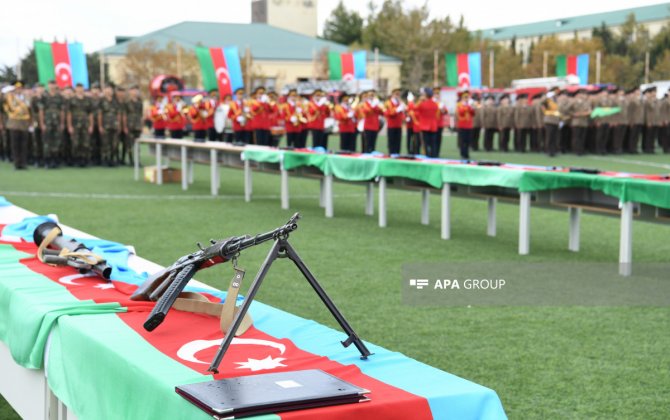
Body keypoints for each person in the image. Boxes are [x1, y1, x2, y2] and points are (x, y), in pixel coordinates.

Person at [3, 81, 32, 169]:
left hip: (24, 123)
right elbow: (4, 106)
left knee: (24, 144)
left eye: (20, 88)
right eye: (17, 88)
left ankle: (23, 163)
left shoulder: (26, 97)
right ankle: (16, 163)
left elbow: (30, 109)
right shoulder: (9, 97)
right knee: (15, 144)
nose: (19, 90)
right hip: (14, 123)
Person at [39, 80, 65, 168]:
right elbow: (41, 111)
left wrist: (62, 123)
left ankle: (55, 161)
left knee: (57, 142)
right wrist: (42, 123)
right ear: (48, 85)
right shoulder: (44, 96)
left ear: (56, 85)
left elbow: (62, 111)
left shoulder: (60, 97)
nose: (52, 86)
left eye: (54, 84)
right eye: (50, 84)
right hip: (47, 122)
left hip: (57, 122)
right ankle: (47, 161)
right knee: (47, 142)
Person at [67, 83, 93, 167]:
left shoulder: (88, 100)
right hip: (75, 124)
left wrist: (91, 125)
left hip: (85, 124)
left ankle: (85, 160)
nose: (79, 90)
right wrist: (69, 126)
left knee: (85, 142)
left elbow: (90, 114)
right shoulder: (71, 100)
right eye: (78, 88)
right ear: (76, 89)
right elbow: (69, 114)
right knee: (75, 143)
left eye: (81, 88)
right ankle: (76, 159)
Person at [98, 84, 121, 166]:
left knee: (114, 144)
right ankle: (105, 160)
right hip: (105, 125)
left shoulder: (115, 101)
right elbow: (100, 114)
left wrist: (119, 125)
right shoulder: (101, 101)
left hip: (114, 125)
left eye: (110, 90)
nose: (109, 91)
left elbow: (118, 114)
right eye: (107, 89)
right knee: (105, 143)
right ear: (104, 91)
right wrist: (100, 126)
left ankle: (112, 159)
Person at [414, 87, 440, 157]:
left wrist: (420, 100)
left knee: (426, 144)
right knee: (433, 144)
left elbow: (414, 108)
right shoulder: (435, 104)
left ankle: (427, 157)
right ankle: (434, 156)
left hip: (425, 127)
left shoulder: (422, 104)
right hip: (433, 126)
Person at [568, 89, 592, 156]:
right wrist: (573, 114)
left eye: (584, 94)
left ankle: (581, 149)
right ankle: (575, 150)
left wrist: (586, 113)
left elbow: (590, 111)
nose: (583, 95)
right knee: (576, 137)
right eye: (582, 94)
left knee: (582, 137)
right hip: (576, 121)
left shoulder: (587, 102)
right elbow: (567, 109)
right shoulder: (573, 101)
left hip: (584, 122)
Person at [124, 85, 144, 164]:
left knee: (137, 145)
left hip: (137, 126)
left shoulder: (140, 103)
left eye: (136, 90)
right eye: (133, 90)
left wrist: (142, 126)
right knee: (129, 144)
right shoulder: (127, 103)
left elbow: (141, 115)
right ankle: (131, 160)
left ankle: (137, 160)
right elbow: (124, 115)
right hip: (130, 125)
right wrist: (125, 126)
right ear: (130, 92)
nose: (135, 92)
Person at [384, 88, 405, 155]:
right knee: (391, 141)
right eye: (396, 94)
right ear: (393, 94)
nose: (398, 96)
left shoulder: (400, 103)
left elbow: (402, 114)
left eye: (399, 94)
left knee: (398, 141)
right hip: (391, 125)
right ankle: (391, 153)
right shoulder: (389, 103)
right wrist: (398, 109)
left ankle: (397, 154)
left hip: (398, 125)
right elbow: (389, 113)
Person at [455, 90, 476, 159]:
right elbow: (460, 112)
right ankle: (462, 153)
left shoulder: (469, 105)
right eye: (465, 97)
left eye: (467, 97)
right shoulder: (459, 105)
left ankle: (467, 153)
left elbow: (473, 114)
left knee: (468, 140)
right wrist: (467, 106)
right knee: (462, 140)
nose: (467, 99)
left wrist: (472, 107)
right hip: (462, 125)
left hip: (469, 125)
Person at [542, 87, 561, 157]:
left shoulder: (557, 100)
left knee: (555, 137)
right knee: (549, 136)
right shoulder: (548, 99)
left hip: (556, 120)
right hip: (549, 120)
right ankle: (548, 150)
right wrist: (547, 96)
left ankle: (554, 150)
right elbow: (542, 103)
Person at [30, 83, 44, 166]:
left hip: (45, 122)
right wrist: (32, 123)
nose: (40, 89)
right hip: (36, 122)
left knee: (45, 141)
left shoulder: (46, 98)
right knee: (36, 141)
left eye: (42, 88)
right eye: (39, 88)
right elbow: (31, 111)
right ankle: (37, 160)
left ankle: (44, 159)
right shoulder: (34, 99)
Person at [611, 87, 628, 154]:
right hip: (617, 120)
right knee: (616, 136)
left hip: (624, 120)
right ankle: (615, 148)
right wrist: (613, 121)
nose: (622, 93)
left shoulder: (625, 100)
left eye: (622, 91)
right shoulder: (614, 100)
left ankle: (620, 148)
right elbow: (612, 111)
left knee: (621, 135)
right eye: (620, 91)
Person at [626, 87, 643, 153]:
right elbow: (630, 111)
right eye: (637, 91)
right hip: (634, 120)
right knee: (632, 135)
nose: (638, 92)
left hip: (639, 120)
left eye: (639, 91)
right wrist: (630, 121)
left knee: (637, 136)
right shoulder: (632, 100)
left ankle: (635, 148)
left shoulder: (640, 99)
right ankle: (631, 148)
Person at [88, 83, 103, 164]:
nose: (95, 91)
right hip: (90, 123)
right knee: (91, 141)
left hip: (101, 123)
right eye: (94, 89)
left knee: (100, 141)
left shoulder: (102, 100)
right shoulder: (88, 100)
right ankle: (92, 158)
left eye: (97, 89)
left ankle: (99, 158)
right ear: (91, 90)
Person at [643, 86, 659, 153]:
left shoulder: (656, 100)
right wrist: (648, 121)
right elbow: (647, 112)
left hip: (655, 120)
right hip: (649, 120)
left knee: (653, 135)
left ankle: (652, 148)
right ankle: (647, 148)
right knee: (648, 135)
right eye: (653, 92)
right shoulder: (647, 100)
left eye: (655, 92)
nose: (654, 93)